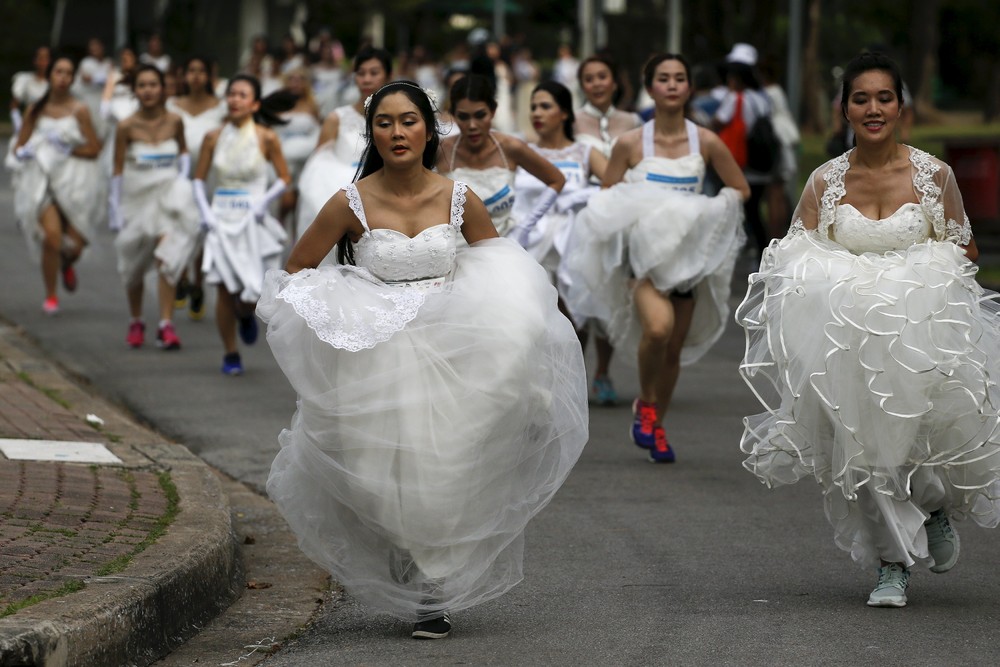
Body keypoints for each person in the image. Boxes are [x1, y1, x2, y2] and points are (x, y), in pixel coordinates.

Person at [257, 79, 588, 640]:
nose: (397, 133)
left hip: (452, 349)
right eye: (384, 123)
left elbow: (501, 269)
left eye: (408, 121)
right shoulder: (348, 202)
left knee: (445, 467)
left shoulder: (459, 198)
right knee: (377, 476)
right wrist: (345, 305)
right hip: (376, 355)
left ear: (429, 130)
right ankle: (407, 551)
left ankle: (431, 589)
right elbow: (295, 272)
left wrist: (514, 332)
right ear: (371, 133)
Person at [737, 52, 1000, 608]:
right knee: (864, 450)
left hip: (916, 332)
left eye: (884, 98)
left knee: (915, 442)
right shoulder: (824, 181)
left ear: (900, 106)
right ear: (846, 109)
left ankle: (933, 504)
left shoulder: (934, 175)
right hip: (846, 340)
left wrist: (912, 277)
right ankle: (892, 565)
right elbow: (792, 257)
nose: (873, 109)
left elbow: (965, 251)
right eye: (861, 99)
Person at [567, 53, 749, 462]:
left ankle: (655, 421)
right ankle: (647, 401)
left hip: (689, 260)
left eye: (679, 78)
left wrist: (706, 210)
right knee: (658, 328)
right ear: (650, 88)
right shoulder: (630, 143)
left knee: (673, 349)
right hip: (644, 259)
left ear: (689, 87)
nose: (671, 85)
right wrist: (639, 211)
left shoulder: (706, 141)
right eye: (663, 78)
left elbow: (740, 188)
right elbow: (607, 196)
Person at [193, 74, 291, 375]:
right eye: (231, 94)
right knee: (223, 287)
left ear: (255, 104)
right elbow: (198, 178)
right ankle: (230, 352)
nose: (235, 99)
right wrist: (205, 211)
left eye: (242, 95)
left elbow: (284, 178)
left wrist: (265, 201)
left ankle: (246, 314)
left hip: (252, 219)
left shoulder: (266, 137)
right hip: (221, 217)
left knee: (251, 290)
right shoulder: (212, 137)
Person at [108, 65, 199, 349]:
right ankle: (136, 320)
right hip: (136, 200)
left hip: (168, 199)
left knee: (166, 257)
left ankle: (165, 324)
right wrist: (114, 208)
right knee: (132, 265)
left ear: (162, 89)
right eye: (142, 85)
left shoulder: (175, 121)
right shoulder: (125, 126)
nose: (148, 90)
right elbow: (117, 169)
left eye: (153, 84)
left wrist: (182, 181)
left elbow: (184, 153)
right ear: (135, 90)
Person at [571, 54, 643, 405]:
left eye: (603, 76)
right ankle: (575, 373)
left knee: (611, 293)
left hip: (624, 215)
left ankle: (603, 372)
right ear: (582, 85)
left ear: (614, 82)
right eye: (589, 78)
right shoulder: (572, 121)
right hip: (583, 213)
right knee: (580, 294)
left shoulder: (632, 121)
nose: (597, 83)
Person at [515, 80, 606, 347]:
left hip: (573, 239)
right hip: (530, 239)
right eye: (533, 107)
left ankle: (575, 366)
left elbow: (616, 185)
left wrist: (586, 195)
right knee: (531, 315)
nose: (537, 113)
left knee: (574, 314)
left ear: (564, 113)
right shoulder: (522, 150)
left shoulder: (584, 152)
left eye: (545, 106)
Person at [12, 55, 103, 314]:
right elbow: (19, 146)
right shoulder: (35, 109)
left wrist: (67, 150)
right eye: (58, 72)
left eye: (68, 73)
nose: (63, 78)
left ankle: (67, 263)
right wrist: (29, 151)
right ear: (50, 75)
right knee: (51, 238)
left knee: (75, 245)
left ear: (73, 79)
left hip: (74, 181)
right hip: (42, 180)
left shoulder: (80, 109)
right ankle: (51, 295)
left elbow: (94, 148)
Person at [437, 74, 565, 239]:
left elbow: (556, 179)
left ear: (493, 111)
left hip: (503, 243)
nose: (472, 125)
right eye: (463, 117)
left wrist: (525, 226)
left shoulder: (511, 147)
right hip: (454, 247)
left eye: (480, 115)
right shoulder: (441, 150)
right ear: (453, 115)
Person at [295, 46, 390, 242]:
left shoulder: (395, 119)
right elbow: (317, 168)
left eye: (374, 73)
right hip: (346, 197)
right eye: (361, 73)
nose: (366, 79)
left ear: (388, 76)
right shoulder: (336, 118)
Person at [166, 56, 227, 319]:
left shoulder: (221, 107)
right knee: (179, 223)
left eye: (201, 71)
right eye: (191, 70)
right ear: (184, 75)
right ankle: (180, 276)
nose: (196, 76)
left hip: (208, 175)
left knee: (202, 228)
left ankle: (198, 283)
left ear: (209, 76)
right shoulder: (172, 106)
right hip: (177, 174)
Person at [713, 43, 774, 260]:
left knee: (735, 208)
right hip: (761, 160)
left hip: (740, 161)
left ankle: (731, 252)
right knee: (755, 211)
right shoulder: (762, 98)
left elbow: (719, 120)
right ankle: (763, 254)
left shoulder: (735, 98)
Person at [274, 67, 321, 227]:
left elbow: (317, 132)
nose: (295, 83)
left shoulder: (311, 105)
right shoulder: (277, 104)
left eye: (300, 79)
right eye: (292, 79)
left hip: (304, 160)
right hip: (282, 159)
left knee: (300, 201)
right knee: (283, 202)